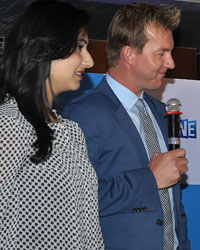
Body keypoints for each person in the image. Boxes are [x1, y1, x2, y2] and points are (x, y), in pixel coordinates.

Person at [61, 2, 190, 250]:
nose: (171, 63)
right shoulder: (83, 113)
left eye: (170, 52)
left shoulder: (161, 112)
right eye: (161, 54)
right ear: (129, 54)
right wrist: (149, 179)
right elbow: (71, 201)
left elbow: (173, 204)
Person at [0, 1, 105, 249]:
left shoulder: (72, 132)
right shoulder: (9, 125)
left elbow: (88, 228)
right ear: (45, 46)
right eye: (80, 47)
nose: (89, 61)